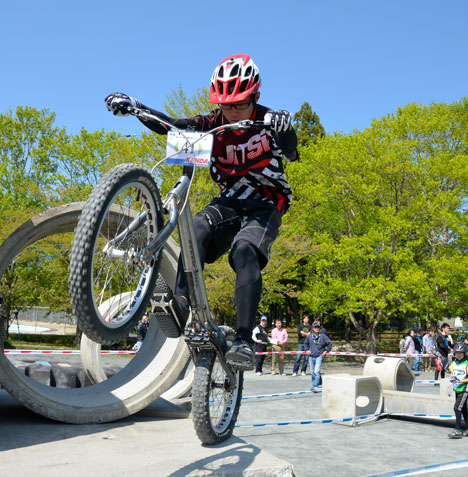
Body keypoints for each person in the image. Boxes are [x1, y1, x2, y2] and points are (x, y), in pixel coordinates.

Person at [105, 54, 298, 370]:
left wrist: (285, 126)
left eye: (239, 105)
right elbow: (171, 126)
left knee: (245, 251)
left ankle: (244, 340)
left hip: (265, 205)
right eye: (225, 105)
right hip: (229, 203)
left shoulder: (269, 122)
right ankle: (180, 303)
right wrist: (136, 107)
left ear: (256, 98)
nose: (231, 112)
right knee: (194, 228)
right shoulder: (213, 124)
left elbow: (290, 150)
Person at [447, 342, 468, 438]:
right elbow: (452, 372)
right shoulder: (454, 363)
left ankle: (457, 430)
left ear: (465, 354)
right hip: (457, 388)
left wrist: (462, 381)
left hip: (464, 388)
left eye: (461, 353)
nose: (458, 355)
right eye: (457, 353)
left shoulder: (467, 364)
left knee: (457, 408)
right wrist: (452, 378)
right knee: (463, 408)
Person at [304, 322, 332, 392]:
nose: (317, 329)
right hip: (311, 356)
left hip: (319, 356)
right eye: (315, 327)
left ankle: (315, 386)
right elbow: (305, 344)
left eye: (318, 327)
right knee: (312, 372)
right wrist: (307, 350)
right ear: (313, 328)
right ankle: (314, 385)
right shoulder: (309, 336)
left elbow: (329, 343)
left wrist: (326, 351)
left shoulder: (323, 336)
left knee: (316, 371)